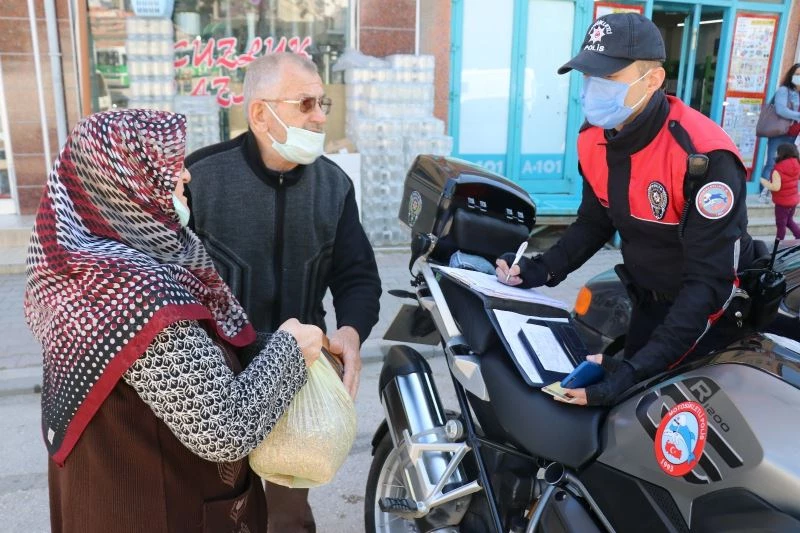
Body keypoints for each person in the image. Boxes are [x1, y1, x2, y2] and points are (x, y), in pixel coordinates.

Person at [24, 109, 326, 533]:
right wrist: (291, 350)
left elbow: (188, 360)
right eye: (168, 165)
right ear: (124, 179)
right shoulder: (132, 287)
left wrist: (275, 347)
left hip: (108, 496)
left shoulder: (85, 269)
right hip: (156, 508)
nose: (185, 175)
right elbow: (223, 427)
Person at [496, 13, 761, 407]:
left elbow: (709, 284)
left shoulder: (703, 156)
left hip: (711, 320)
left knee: (673, 424)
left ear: (652, 80)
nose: (593, 88)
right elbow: (594, 222)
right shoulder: (593, 139)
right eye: (588, 76)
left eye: (608, 77)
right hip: (648, 304)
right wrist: (537, 270)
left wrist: (635, 371)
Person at [186, 52, 382, 532]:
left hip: (298, 374)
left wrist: (352, 331)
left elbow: (357, 275)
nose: (320, 116)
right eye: (305, 103)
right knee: (214, 509)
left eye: (322, 103)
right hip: (216, 378)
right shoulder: (202, 178)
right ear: (260, 113)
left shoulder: (334, 186)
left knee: (288, 516)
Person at [759, 63, 800, 203]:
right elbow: (781, 110)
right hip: (780, 132)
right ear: (791, 75)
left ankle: (779, 195)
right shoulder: (784, 90)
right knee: (772, 162)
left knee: (789, 165)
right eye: (797, 74)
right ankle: (763, 194)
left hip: (795, 134)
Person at [760, 142, 800, 240]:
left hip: (782, 203)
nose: (775, 153)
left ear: (781, 153)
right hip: (793, 201)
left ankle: (778, 243)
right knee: (789, 221)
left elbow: (775, 187)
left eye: (777, 152)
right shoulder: (797, 164)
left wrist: (762, 181)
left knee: (781, 224)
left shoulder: (778, 168)